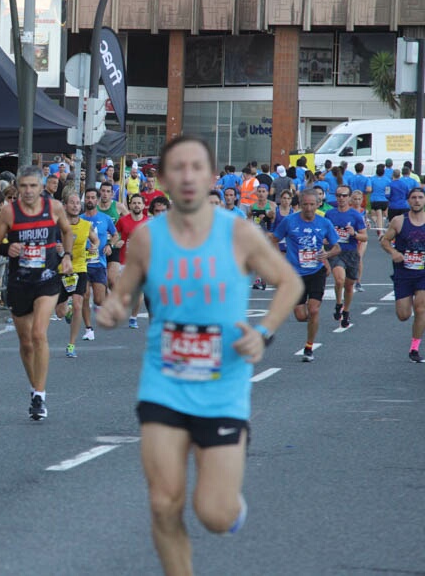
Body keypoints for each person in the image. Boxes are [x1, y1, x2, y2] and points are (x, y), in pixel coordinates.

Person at [97, 137, 303, 576]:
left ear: (211, 177)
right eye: (178, 168)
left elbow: (289, 282)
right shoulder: (148, 238)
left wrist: (263, 333)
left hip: (222, 388)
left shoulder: (239, 233)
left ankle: (229, 506)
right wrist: (114, 308)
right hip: (164, 381)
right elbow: (125, 293)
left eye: (197, 168)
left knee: (214, 514)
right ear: (163, 180)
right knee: (162, 503)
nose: (188, 176)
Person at [0, 165, 73, 421]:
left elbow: (67, 231)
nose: (28, 191)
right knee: (25, 342)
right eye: (23, 186)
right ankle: (34, 385)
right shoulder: (9, 212)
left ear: (41, 187)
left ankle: (40, 395)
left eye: (33, 186)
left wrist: (66, 256)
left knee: (38, 333)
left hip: (46, 280)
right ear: (18, 187)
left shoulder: (54, 208)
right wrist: (7, 248)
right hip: (19, 282)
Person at [272, 189, 341, 362]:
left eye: (312, 204)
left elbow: (337, 247)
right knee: (301, 315)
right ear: (300, 205)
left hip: (316, 271)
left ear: (318, 204)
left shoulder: (324, 223)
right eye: (305, 204)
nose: (309, 208)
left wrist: (327, 255)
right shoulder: (289, 221)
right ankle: (312, 322)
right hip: (295, 275)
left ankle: (309, 346)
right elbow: (273, 239)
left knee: (314, 309)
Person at [380, 187, 425, 363]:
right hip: (404, 273)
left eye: (420, 197)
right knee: (403, 315)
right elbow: (384, 241)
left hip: (423, 273)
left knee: (421, 308)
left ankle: (414, 347)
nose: (417, 201)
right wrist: (393, 252)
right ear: (408, 201)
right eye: (413, 197)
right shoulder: (399, 221)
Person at [55, 192, 97, 358]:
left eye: (77, 203)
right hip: (61, 270)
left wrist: (95, 247)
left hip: (79, 268)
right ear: (65, 206)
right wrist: (57, 249)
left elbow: (95, 240)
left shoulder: (86, 225)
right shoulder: (59, 225)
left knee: (79, 302)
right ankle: (68, 311)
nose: (74, 206)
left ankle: (71, 344)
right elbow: (49, 242)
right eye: (71, 203)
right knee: (60, 312)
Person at [324, 185, 367, 329]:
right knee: (339, 279)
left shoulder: (355, 215)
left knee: (349, 285)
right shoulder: (330, 214)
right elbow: (324, 234)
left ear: (349, 197)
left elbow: (365, 237)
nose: (341, 198)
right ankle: (338, 303)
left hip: (351, 252)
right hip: (336, 251)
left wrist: (354, 233)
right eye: (338, 195)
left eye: (344, 195)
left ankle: (346, 311)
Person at [80, 186, 118, 342]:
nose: (90, 200)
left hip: (99, 263)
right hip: (82, 263)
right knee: (85, 296)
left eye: (92, 198)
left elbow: (115, 234)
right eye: (87, 197)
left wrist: (110, 245)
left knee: (98, 300)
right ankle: (88, 328)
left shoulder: (105, 218)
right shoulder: (80, 218)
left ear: (96, 200)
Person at [116, 193, 149, 328]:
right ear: (130, 205)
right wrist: (116, 242)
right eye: (134, 203)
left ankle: (133, 317)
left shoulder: (148, 222)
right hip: (123, 260)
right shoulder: (123, 221)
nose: (136, 205)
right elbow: (113, 234)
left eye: (139, 203)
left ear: (143, 205)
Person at [368, 163, 391, 237]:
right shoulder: (387, 180)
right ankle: (380, 224)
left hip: (375, 199)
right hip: (384, 199)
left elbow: (370, 189)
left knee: (375, 215)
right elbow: (388, 191)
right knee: (382, 214)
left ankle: (380, 229)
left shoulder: (372, 179)